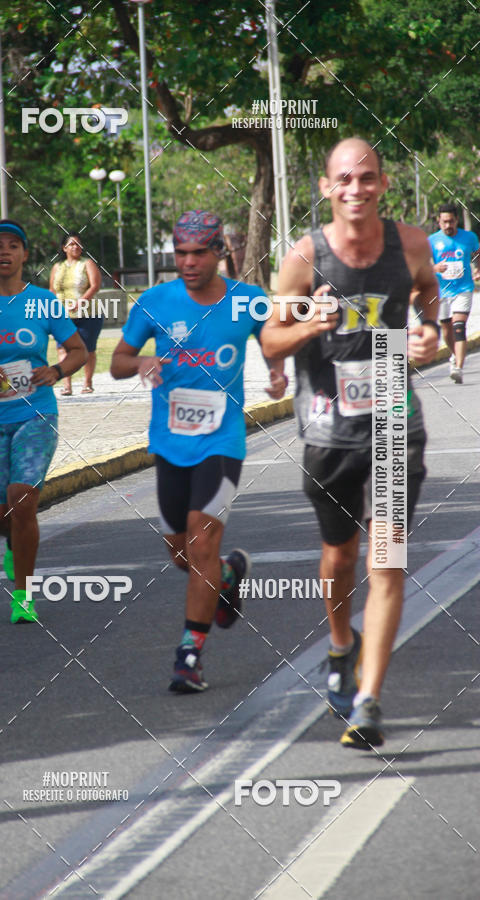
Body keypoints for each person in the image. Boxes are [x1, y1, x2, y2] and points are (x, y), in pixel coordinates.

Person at [261, 138, 439, 748]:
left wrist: (427, 334)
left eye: (367, 178)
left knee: (386, 559)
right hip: (329, 427)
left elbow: (428, 294)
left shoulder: (410, 243)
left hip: (392, 419)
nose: (356, 189)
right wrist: (307, 325)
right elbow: (271, 339)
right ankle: (341, 644)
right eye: (344, 180)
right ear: (326, 188)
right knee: (339, 558)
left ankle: (368, 700)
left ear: (384, 184)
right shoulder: (304, 257)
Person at [111, 209, 287, 692]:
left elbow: (272, 343)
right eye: (181, 253)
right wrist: (141, 362)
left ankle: (189, 655)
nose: (188, 262)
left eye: (198, 253)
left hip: (222, 440)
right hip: (170, 443)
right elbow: (117, 361)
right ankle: (227, 576)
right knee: (183, 555)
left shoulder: (247, 299)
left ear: (218, 252)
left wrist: (277, 373)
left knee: (203, 542)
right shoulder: (154, 301)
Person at [0, 220, 87, 623]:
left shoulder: (43, 301)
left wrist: (56, 371)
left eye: (13, 245)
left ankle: (23, 596)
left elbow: (77, 350)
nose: (5, 252)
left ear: (24, 255)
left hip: (36, 413)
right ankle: (14, 545)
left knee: (22, 497)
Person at [428, 203, 480, 384]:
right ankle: (455, 355)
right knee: (446, 329)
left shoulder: (469, 237)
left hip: (463, 289)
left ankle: (458, 367)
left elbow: (477, 253)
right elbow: (421, 264)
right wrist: (434, 268)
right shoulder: (432, 240)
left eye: (451, 221)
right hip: (442, 291)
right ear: (438, 221)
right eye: (444, 222)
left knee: (459, 327)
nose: (448, 225)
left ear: (457, 220)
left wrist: (478, 268)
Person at [49, 233, 102, 395]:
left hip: (88, 314)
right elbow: (52, 289)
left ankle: (87, 383)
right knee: (62, 349)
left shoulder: (87, 263)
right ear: (64, 248)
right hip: (63, 315)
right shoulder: (57, 267)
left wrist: (81, 302)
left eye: (78, 244)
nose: (75, 247)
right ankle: (67, 385)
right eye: (71, 244)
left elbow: (95, 285)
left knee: (88, 349)